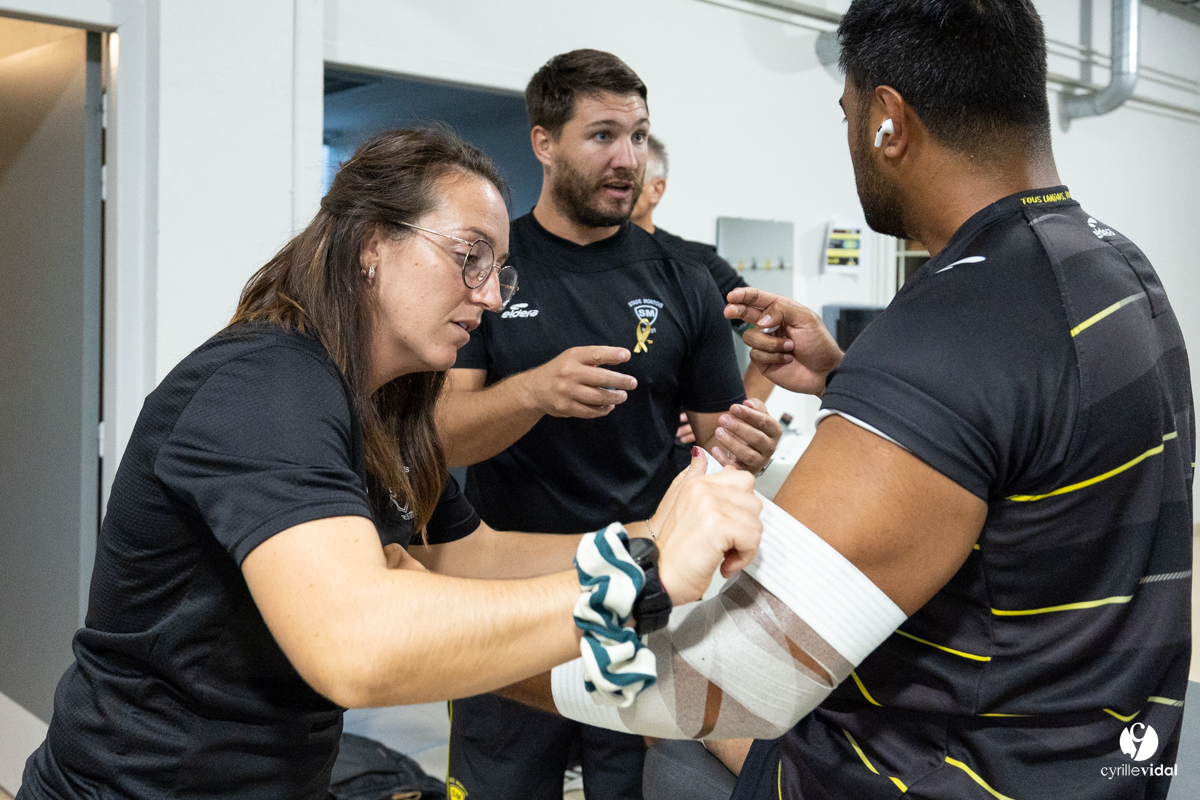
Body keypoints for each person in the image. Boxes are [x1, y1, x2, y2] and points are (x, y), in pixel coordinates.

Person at [495, 2, 1192, 799]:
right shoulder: (1114, 267)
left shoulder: (955, 323)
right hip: (1099, 762)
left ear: (887, 121)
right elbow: (1029, 448)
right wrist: (850, 380)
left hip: (942, 773)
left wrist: (434, 642)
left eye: (847, 113)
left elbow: (729, 679)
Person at [14, 128, 765, 800]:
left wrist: (653, 528)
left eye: (498, 271)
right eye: (469, 257)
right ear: (371, 243)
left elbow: (469, 556)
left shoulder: (387, 404)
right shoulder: (265, 385)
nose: (488, 297)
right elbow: (356, 646)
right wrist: (638, 578)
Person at [437, 51, 783, 800]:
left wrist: (750, 447)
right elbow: (443, 434)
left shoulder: (682, 280)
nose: (626, 158)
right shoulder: (490, 269)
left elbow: (721, 442)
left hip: (646, 598)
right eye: (601, 136)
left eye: (637, 136)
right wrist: (532, 392)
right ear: (544, 142)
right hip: (511, 595)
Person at [629, 134, 776, 463]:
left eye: (631, 174)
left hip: (677, 466)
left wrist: (729, 424)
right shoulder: (584, 265)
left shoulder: (696, 265)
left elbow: (773, 339)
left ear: (657, 189)